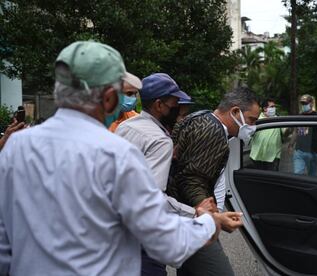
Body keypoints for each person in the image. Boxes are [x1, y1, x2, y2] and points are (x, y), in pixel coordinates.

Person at [0, 41, 235, 276]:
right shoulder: (117, 156)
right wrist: (207, 223)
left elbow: (4, 241)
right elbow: (165, 242)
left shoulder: (16, 147)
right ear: (110, 99)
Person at [116, 73, 240, 276]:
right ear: (159, 105)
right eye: (175, 104)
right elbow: (153, 200)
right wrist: (199, 214)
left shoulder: (126, 126)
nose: (180, 109)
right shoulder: (159, 141)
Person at [167, 86, 260, 276]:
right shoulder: (214, 132)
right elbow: (190, 178)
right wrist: (210, 213)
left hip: (186, 218)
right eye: (251, 120)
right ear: (235, 112)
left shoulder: (200, 118)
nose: (253, 127)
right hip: (196, 220)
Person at [288, 94, 317, 176]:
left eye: (305, 103)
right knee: (297, 175)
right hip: (300, 151)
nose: (304, 105)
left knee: (312, 177)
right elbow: (296, 131)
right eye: (302, 104)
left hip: (313, 152)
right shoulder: (300, 116)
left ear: (311, 104)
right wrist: (291, 145)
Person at [249, 98, 283, 170]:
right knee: (260, 179)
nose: (274, 108)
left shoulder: (279, 120)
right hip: (257, 156)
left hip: (273, 157)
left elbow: (286, 131)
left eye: (274, 106)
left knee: (272, 179)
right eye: (272, 107)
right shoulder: (256, 119)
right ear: (265, 108)